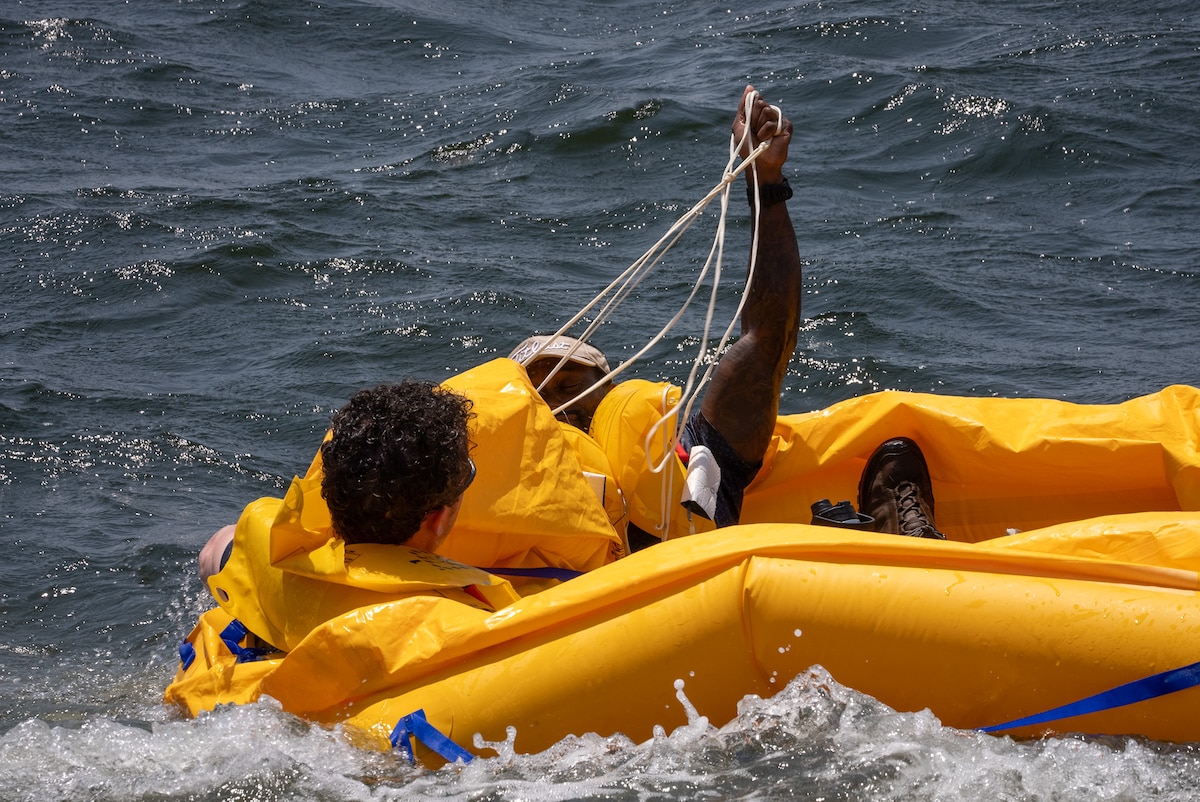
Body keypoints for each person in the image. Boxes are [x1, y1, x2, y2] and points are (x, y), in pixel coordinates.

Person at [509, 84, 803, 548]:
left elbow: (767, 341)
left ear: (607, 389)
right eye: (537, 399)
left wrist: (765, 184)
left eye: (567, 387)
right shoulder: (484, 497)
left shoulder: (688, 462)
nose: (555, 410)